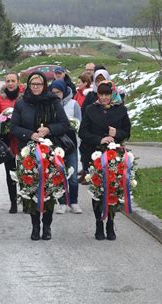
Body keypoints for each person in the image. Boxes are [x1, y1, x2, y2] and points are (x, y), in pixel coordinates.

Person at [10, 72, 70, 241]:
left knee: (49, 190)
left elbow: (65, 124)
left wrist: (48, 130)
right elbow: (14, 127)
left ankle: (47, 225)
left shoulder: (53, 102)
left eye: (39, 84)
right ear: (28, 85)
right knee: (31, 189)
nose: (36, 86)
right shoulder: (21, 103)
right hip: (27, 153)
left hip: (50, 153)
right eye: (33, 84)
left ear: (45, 85)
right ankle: (35, 225)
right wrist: (30, 135)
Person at [79, 81, 130, 241]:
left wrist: (117, 133)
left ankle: (111, 223)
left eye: (107, 94)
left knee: (113, 189)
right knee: (98, 190)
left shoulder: (121, 109)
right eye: (101, 94)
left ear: (112, 94)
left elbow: (127, 132)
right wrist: (100, 139)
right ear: (97, 95)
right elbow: (82, 132)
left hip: (114, 155)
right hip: (94, 155)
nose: (104, 97)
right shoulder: (90, 109)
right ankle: (99, 223)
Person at [0, 72, 25, 213]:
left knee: (25, 171)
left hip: (22, 138)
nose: (10, 83)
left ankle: (26, 199)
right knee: (10, 172)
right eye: (8, 81)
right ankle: (13, 202)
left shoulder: (24, 95)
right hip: (6, 140)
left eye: (13, 81)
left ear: (18, 81)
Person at [49, 79, 82, 214]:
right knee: (59, 174)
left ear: (64, 91)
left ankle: (73, 202)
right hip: (56, 145)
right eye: (53, 92)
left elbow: (80, 123)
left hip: (71, 144)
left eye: (59, 92)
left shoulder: (73, 104)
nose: (56, 95)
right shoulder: (49, 105)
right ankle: (62, 202)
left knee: (73, 176)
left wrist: (73, 125)